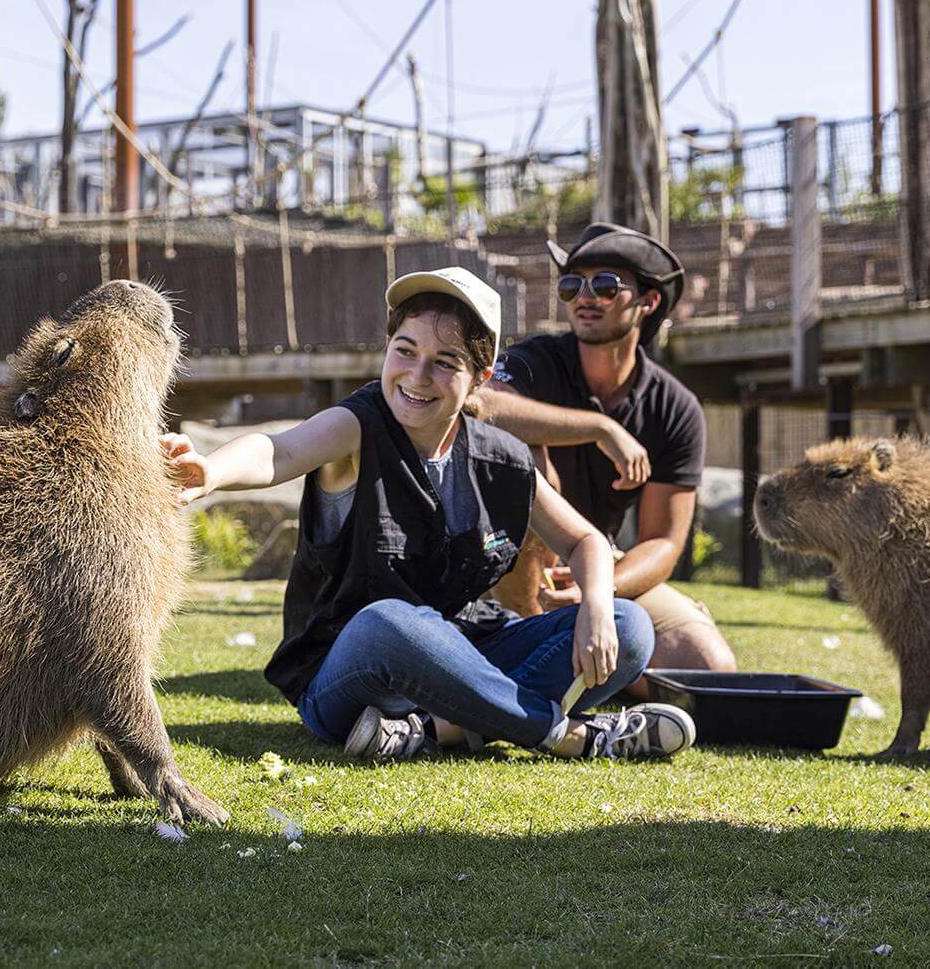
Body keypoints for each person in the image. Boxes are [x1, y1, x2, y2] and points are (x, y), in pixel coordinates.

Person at [163, 267, 695, 762]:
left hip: (459, 656)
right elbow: (277, 451)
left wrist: (597, 607)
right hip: (349, 672)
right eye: (405, 350)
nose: (417, 376)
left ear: (481, 377)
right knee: (391, 621)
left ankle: (439, 729)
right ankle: (563, 734)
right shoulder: (356, 427)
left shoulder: (501, 457)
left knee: (630, 628)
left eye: (445, 362)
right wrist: (211, 470)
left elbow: (585, 541)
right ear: (387, 350)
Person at [475, 222, 738, 696]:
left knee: (708, 671)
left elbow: (661, 541)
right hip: (507, 561)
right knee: (524, 453)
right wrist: (600, 428)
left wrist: (597, 591)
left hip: (598, 571)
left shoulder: (674, 407)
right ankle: (531, 645)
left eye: (605, 284)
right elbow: (482, 406)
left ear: (648, 301)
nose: (584, 297)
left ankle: (566, 659)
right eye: (571, 285)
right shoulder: (536, 360)